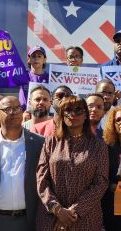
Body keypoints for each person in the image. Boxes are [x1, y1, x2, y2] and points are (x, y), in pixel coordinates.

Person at [36, 96, 109, 230]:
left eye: (78, 110)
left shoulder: (99, 146)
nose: (72, 114)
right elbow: (42, 179)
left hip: (86, 219)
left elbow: (101, 183)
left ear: (86, 115)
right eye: (67, 110)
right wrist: (57, 210)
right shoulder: (50, 143)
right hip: (51, 218)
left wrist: (72, 212)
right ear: (62, 116)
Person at [0, 96, 44, 231]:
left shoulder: (40, 143)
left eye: (17, 108)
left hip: (29, 221)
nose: (14, 112)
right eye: (8, 109)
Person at [19, 46, 49, 110]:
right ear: (28, 59)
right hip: (25, 114)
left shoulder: (50, 78)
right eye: (33, 56)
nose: (36, 59)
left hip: (45, 115)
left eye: (39, 56)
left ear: (44, 60)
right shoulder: (23, 75)